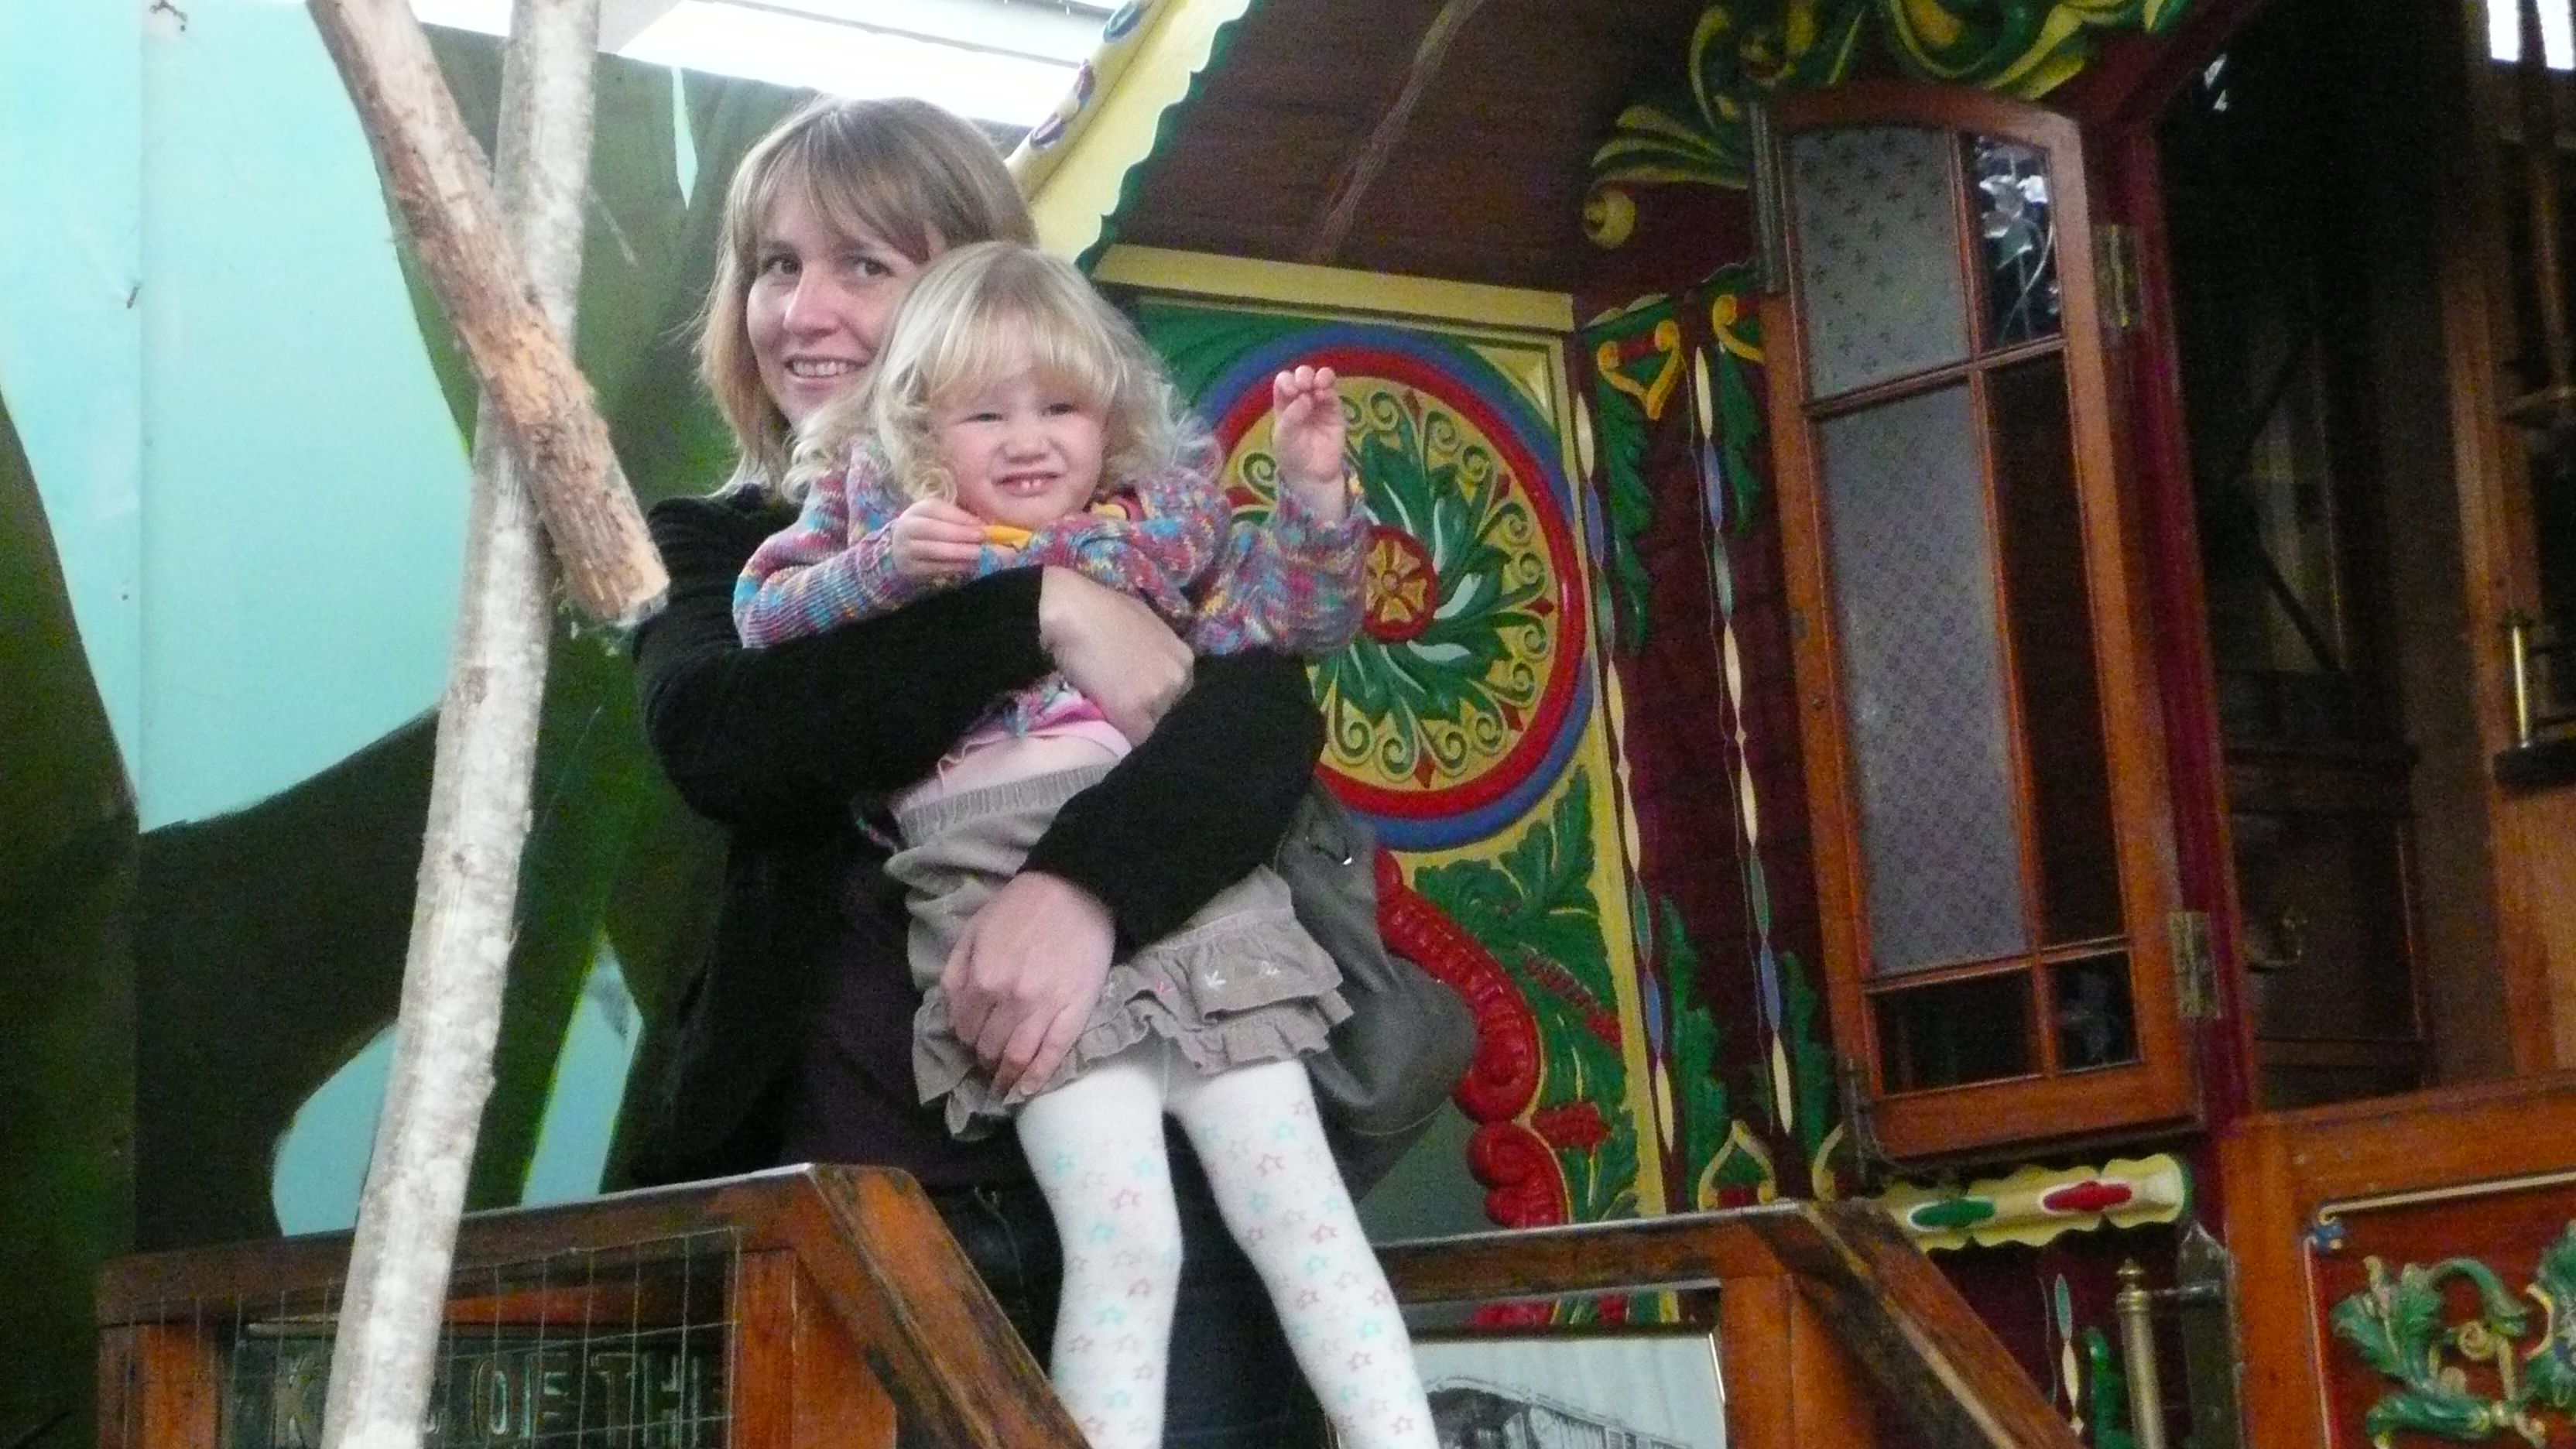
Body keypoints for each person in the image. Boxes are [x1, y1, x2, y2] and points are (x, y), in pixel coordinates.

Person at [625, 95, 1331, 1447]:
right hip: (850, 1186)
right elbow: (729, 737)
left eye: (863, 265)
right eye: (775, 265)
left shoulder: (1122, 510)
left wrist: (1078, 892)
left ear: (978, 292)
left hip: (1155, 1158)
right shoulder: (728, 542)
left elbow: (1254, 730)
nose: (804, 312)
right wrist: (1041, 609)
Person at [730, 240, 1434, 1449]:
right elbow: (763, 620)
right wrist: (879, 567)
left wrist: (1315, 501)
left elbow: (1287, 631)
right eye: (984, 415)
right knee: (1127, 1239)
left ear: (1109, 422)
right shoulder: (902, 533)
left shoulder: (1152, 541)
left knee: (1302, 1216)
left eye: (1059, 407)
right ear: (920, 431)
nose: (1027, 440)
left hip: (1188, 889)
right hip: (990, 872)